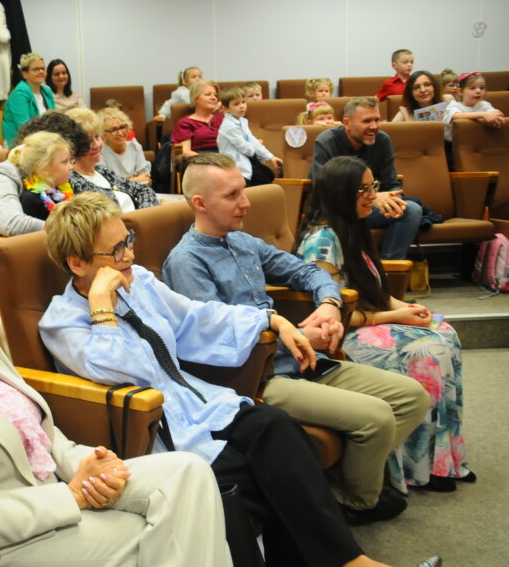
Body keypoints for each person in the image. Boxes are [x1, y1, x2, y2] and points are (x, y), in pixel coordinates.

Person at [38, 192, 437, 567]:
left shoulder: (138, 281)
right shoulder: (61, 322)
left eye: (128, 240)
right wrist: (101, 306)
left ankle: (345, 561)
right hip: (156, 431)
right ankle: (347, 562)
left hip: (200, 403)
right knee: (260, 476)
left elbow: (195, 317)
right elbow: (127, 372)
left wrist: (270, 319)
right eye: (116, 250)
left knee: (278, 427)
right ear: (78, 263)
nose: (129, 254)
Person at [0, 223, 231, 567]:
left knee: (191, 472)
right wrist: (72, 496)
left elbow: (42, 436)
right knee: (168, 531)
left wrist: (91, 466)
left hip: (59, 489)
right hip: (10, 540)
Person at [162, 154, 430, 524]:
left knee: (413, 397)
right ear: (200, 203)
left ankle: (330, 488)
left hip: (301, 358)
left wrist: (330, 305)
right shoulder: (187, 262)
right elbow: (218, 341)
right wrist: (303, 336)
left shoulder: (244, 242)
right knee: (378, 418)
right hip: (256, 377)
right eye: (232, 195)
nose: (246, 202)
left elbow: (308, 272)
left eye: (243, 191)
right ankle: (354, 502)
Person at [295, 156, 472, 494]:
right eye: (363, 189)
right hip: (341, 337)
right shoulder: (322, 243)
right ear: (341, 193)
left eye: (373, 186)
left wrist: (409, 308)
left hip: (368, 322)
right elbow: (332, 317)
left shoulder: (353, 228)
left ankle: (442, 462)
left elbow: (372, 292)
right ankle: (413, 469)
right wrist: (394, 316)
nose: (372, 195)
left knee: (444, 332)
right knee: (428, 351)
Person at [309, 97, 422, 259]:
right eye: (367, 121)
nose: (374, 126)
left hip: (367, 208)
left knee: (410, 210)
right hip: (336, 211)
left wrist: (393, 201)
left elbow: (392, 185)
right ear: (347, 123)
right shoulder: (326, 141)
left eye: (377, 120)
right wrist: (371, 198)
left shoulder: (382, 140)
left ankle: (389, 267)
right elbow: (324, 190)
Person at [0, 112, 90, 236]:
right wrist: (72, 229)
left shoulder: (55, 178)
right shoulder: (4, 174)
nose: (71, 166)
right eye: (66, 160)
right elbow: (11, 224)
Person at [65, 107, 157, 212]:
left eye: (97, 137)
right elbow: (106, 215)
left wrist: (143, 215)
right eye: (88, 141)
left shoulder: (101, 171)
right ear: (73, 145)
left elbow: (143, 190)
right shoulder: (73, 180)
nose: (97, 145)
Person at [215, 87, 280, 186]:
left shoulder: (242, 121)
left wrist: (271, 157)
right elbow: (246, 149)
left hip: (248, 161)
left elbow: (252, 141)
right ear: (226, 108)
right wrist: (255, 146)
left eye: (243, 102)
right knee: (262, 180)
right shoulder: (229, 126)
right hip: (237, 167)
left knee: (267, 176)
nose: (242, 106)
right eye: (236, 104)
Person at [12, 131, 74, 221]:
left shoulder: (62, 187)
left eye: (70, 160)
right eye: (65, 162)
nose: (71, 167)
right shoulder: (30, 200)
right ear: (44, 169)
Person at [2, 52, 54, 143]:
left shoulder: (47, 92)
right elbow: (25, 128)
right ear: (25, 74)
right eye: (36, 69)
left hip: (44, 140)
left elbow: (55, 120)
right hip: (20, 142)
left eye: (43, 68)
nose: (41, 71)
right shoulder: (18, 94)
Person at [443, 72, 505, 143]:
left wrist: (495, 114)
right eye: (472, 88)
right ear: (460, 91)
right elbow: (456, 116)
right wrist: (483, 115)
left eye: (482, 88)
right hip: (454, 143)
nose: (478, 91)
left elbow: (493, 114)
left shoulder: (484, 104)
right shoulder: (454, 105)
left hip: (478, 141)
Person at [171, 80, 223, 159]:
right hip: (198, 159)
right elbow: (185, 151)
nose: (214, 98)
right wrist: (209, 160)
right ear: (195, 99)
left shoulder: (223, 119)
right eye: (208, 94)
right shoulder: (185, 123)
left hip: (225, 157)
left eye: (215, 95)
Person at [98, 105, 151, 185]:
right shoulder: (100, 152)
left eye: (122, 127)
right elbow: (106, 184)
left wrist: (121, 182)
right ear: (103, 134)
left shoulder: (135, 147)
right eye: (113, 130)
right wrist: (136, 180)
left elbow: (146, 179)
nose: (120, 133)